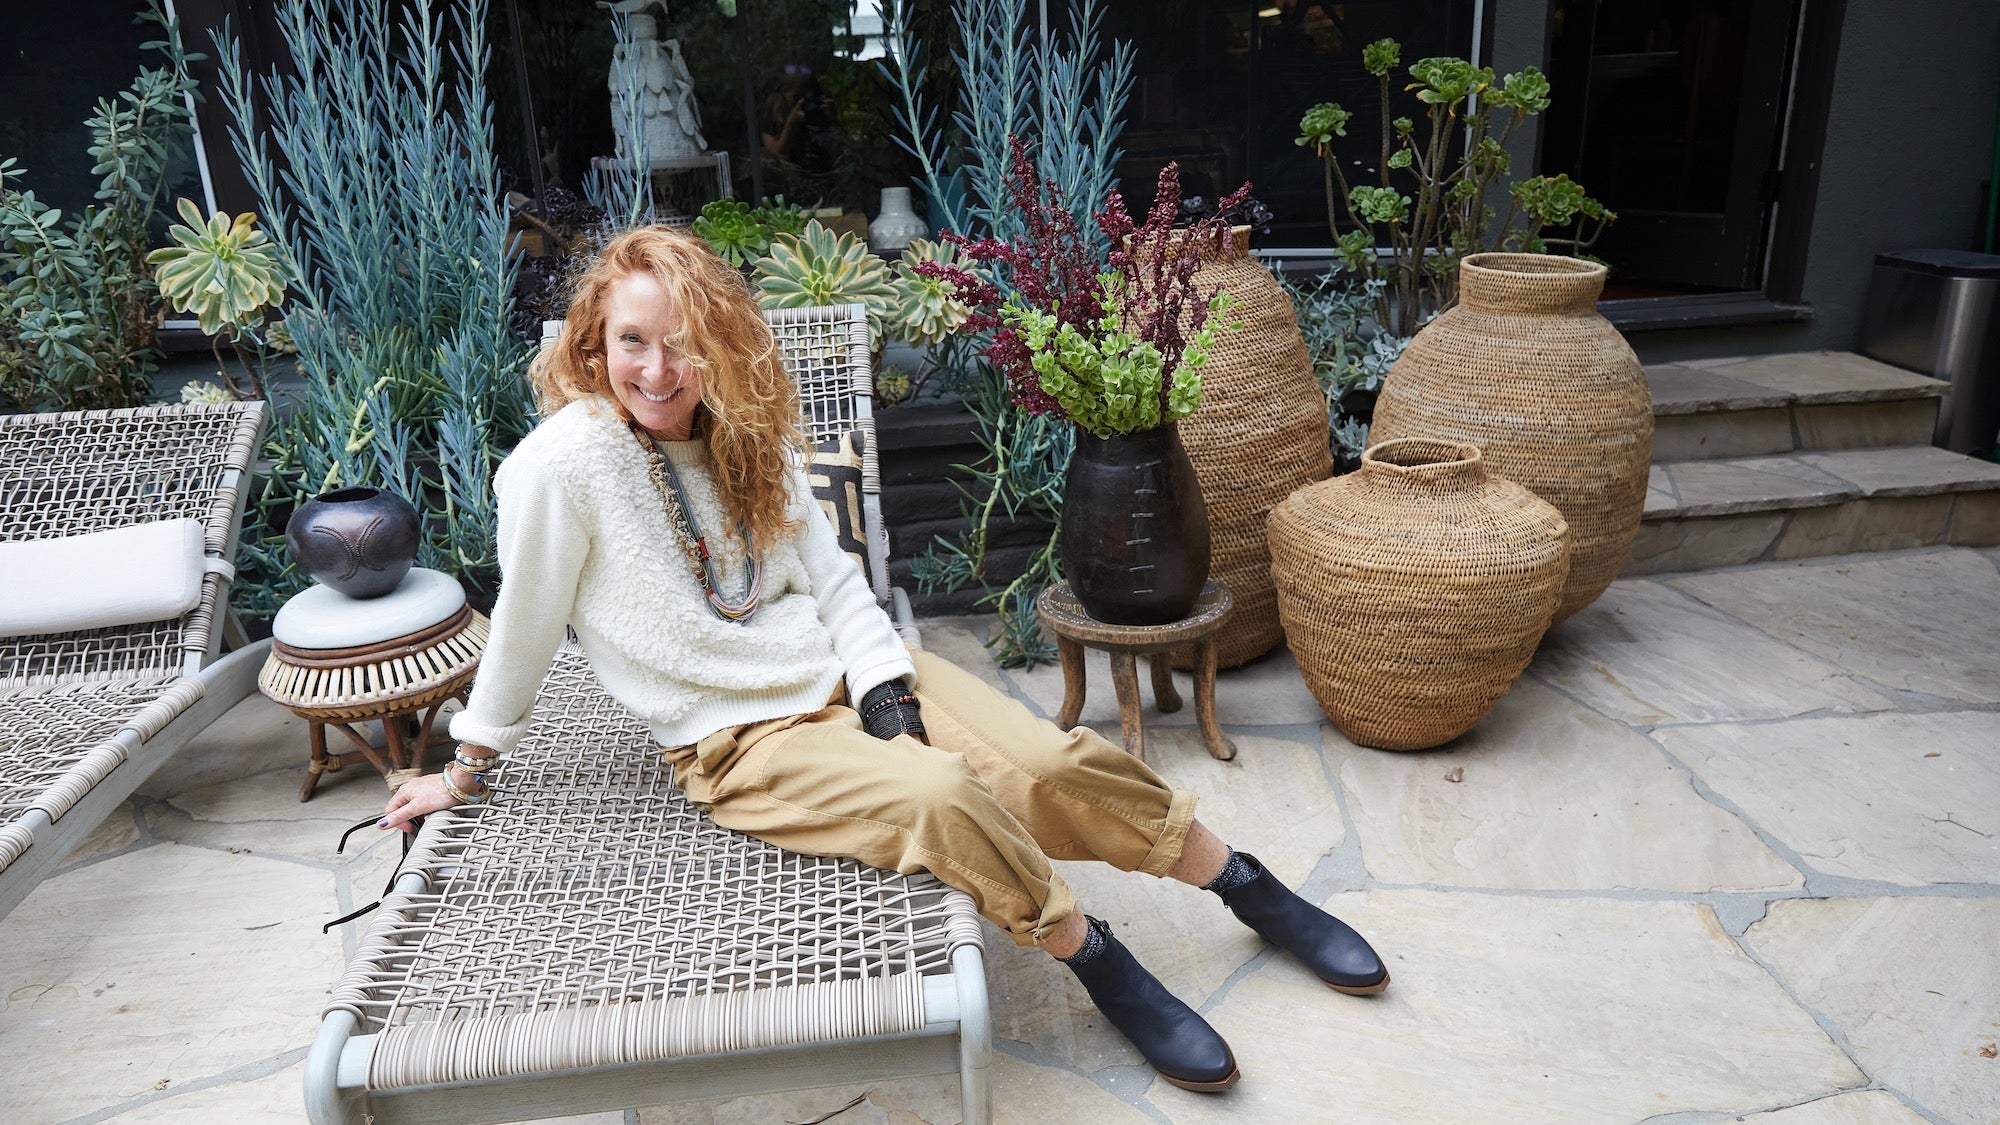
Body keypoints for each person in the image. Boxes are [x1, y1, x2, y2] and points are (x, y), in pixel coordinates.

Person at [378, 225, 1390, 1092]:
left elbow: (833, 581)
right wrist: (467, 764)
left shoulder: (744, 435)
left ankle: (1244, 885)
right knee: (941, 800)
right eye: (630, 343)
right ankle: (1098, 958)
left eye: (681, 346)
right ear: (594, 344)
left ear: (718, 346)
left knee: (1045, 765)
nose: (654, 371)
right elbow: (521, 622)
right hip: (735, 741)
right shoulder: (562, 466)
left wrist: (883, 690)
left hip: (841, 671)